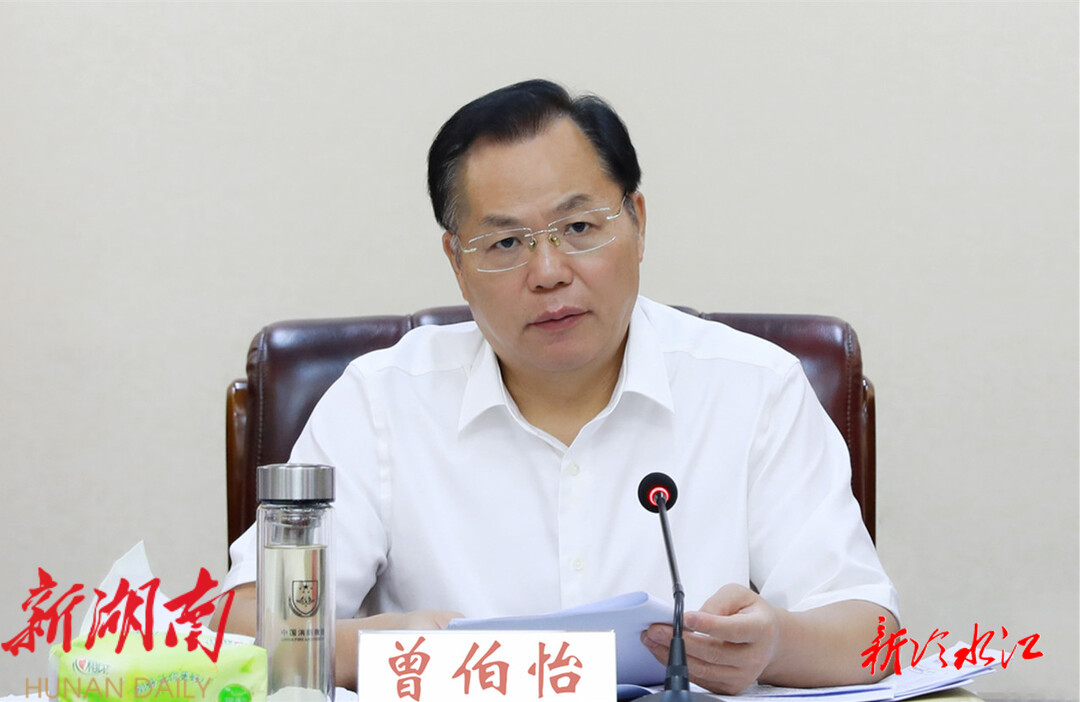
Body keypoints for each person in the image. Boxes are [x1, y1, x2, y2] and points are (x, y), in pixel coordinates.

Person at [214, 79, 900, 694]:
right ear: (457, 262)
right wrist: (394, 647)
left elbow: (873, 635)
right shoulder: (380, 403)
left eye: (578, 228)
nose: (548, 272)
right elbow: (238, 627)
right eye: (505, 243)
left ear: (637, 222)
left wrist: (774, 645)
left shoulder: (754, 389)